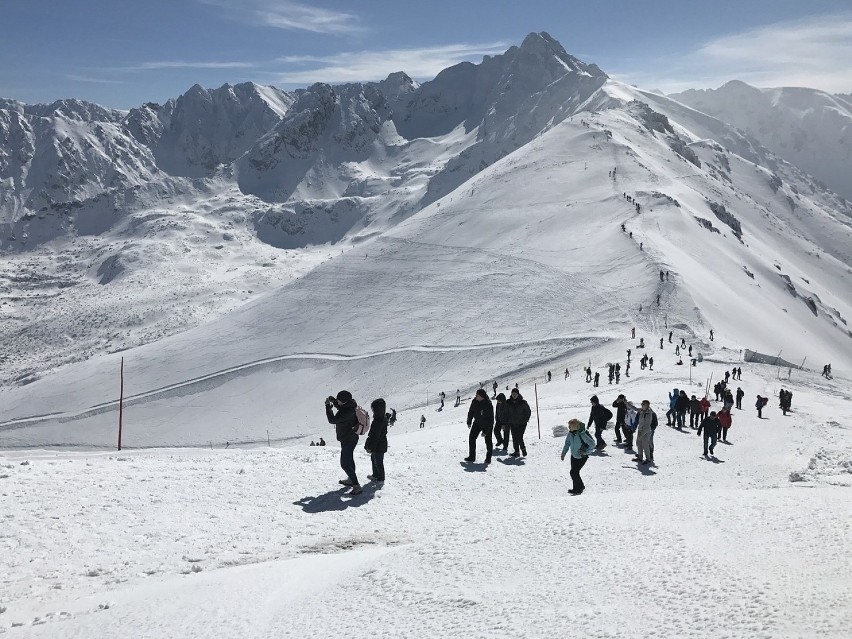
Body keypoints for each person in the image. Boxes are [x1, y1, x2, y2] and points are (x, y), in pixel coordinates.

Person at [326, 390, 361, 495]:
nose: (338, 401)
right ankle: (351, 479)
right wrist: (334, 401)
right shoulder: (350, 405)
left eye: (339, 400)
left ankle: (356, 485)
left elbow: (332, 420)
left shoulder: (347, 412)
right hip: (349, 438)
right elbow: (342, 407)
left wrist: (328, 406)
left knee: (345, 464)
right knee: (349, 459)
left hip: (348, 439)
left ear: (344, 401)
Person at [560, 419, 597, 494]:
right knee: (574, 472)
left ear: (574, 426)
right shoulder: (570, 433)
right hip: (573, 456)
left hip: (582, 457)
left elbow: (592, 444)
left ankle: (579, 488)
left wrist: (586, 452)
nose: (568, 427)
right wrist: (563, 453)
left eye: (570, 426)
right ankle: (576, 488)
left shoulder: (582, 434)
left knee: (574, 472)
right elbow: (567, 443)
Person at [465, 389, 494, 463]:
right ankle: (472, 457)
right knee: (471, 438)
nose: (476, 396)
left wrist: (486, 431)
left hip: (487, 425)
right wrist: (469, 421)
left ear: (482, 396)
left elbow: (491, 420)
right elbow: (471, 411)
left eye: (477, 395)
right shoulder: (474, 401)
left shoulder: (488, 404)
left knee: (488, 441)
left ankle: (488, 458)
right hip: (477, 423)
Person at [365, 398, 388, 483]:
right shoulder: (381, 418)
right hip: (380, 444)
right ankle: (375, 475)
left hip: (379, 445)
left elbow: (375, 436)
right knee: (374, 459)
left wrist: (370, 446)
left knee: (378, 461)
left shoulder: (378, 421)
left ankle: (380, 478)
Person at [505, 388, 532, 457]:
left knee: (519, 437)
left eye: (515, 394)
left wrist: (525, 420)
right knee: (514, 437)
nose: (514, 395)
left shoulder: (523, 402)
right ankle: (516, 452)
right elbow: (505, 412)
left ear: (518, 394)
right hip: (512, 423)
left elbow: (528, 412)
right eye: (513, 394)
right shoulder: (508, 402)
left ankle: (523, 450)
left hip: (521, 423)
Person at [632, 400, 657, 465]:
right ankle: (640, 457)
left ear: (647, 405)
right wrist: (626, 403)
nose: (642, 405)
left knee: (645, 445)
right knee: (638, 443)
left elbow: (648, 426)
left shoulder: (650, 414)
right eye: (642, 404)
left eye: (643, 404)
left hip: (647, 431)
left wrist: (642, 434)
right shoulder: (641, 411)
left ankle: (648, 459)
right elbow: (634, 408)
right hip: (640, 430)